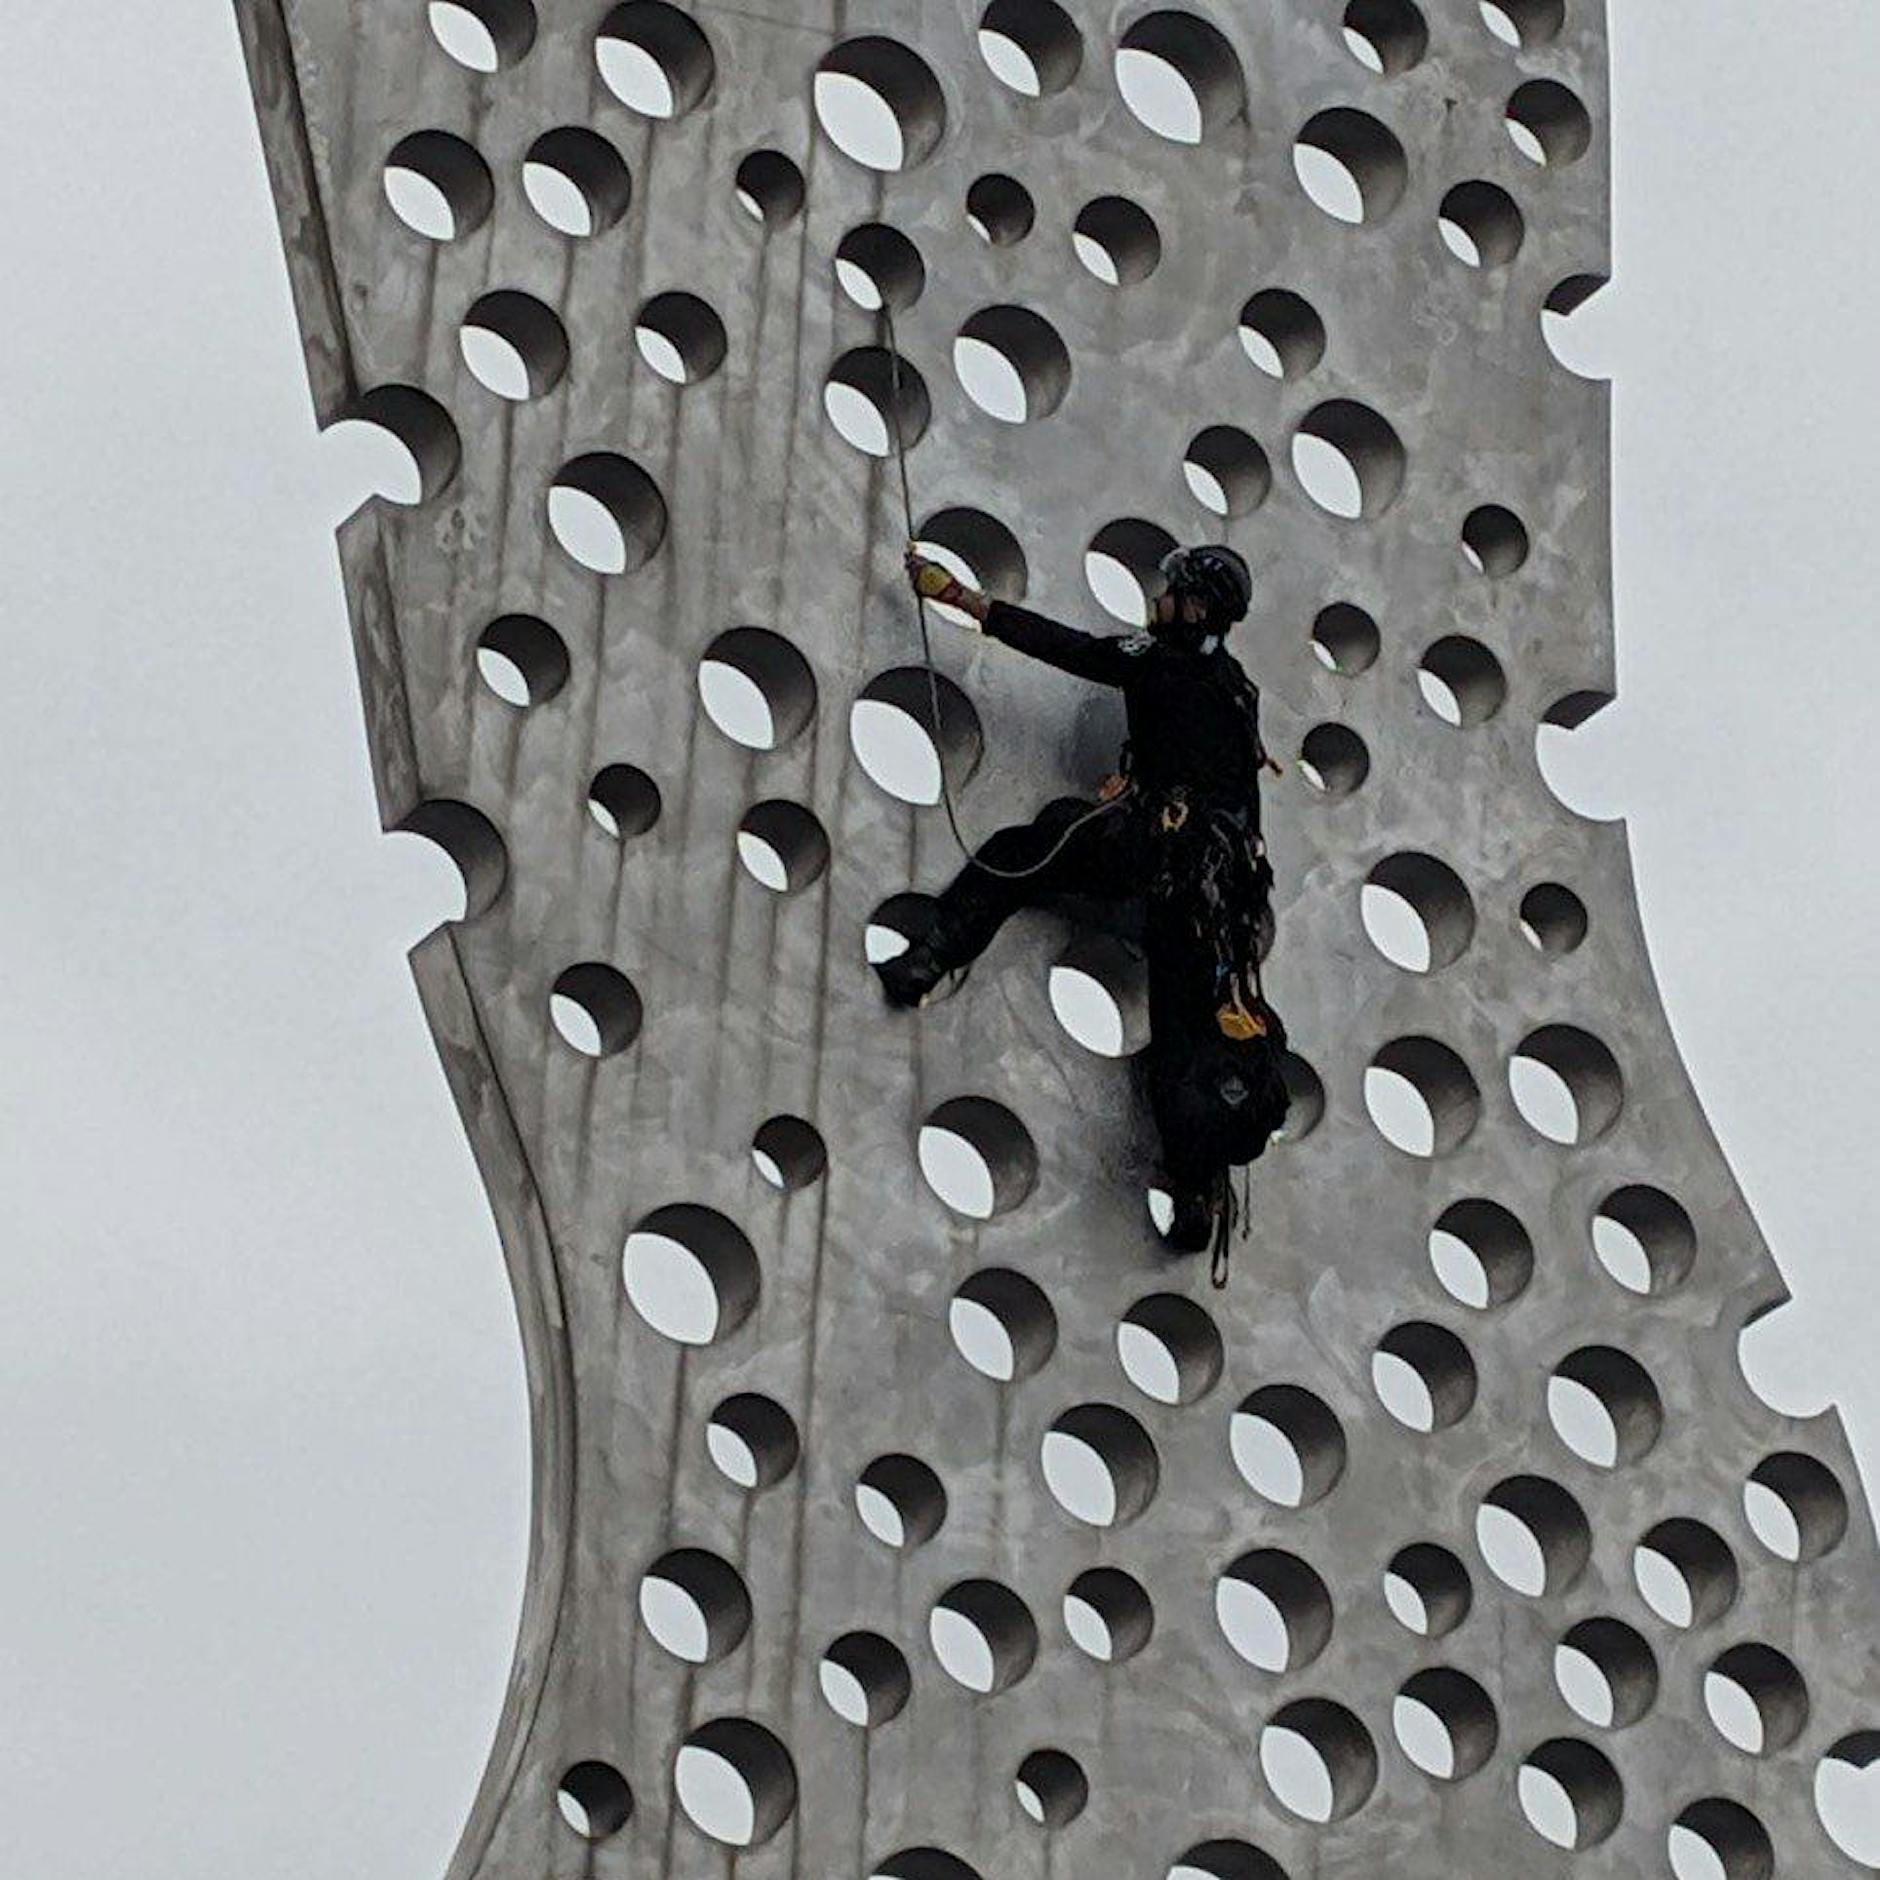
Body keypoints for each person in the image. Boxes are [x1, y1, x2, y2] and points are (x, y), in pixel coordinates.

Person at [880, 541, 1290, 1263]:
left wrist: (964, 600)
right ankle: (1196, 1201)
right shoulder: (1236, 686)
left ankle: (929, 958)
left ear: (1193, 606)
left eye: (1171, 591)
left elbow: (1066, 648)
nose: (1158, 598)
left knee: (1021, 854)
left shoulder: (1157, 657)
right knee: (1181, 1043)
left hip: (1159, 853)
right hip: (1220, 899)